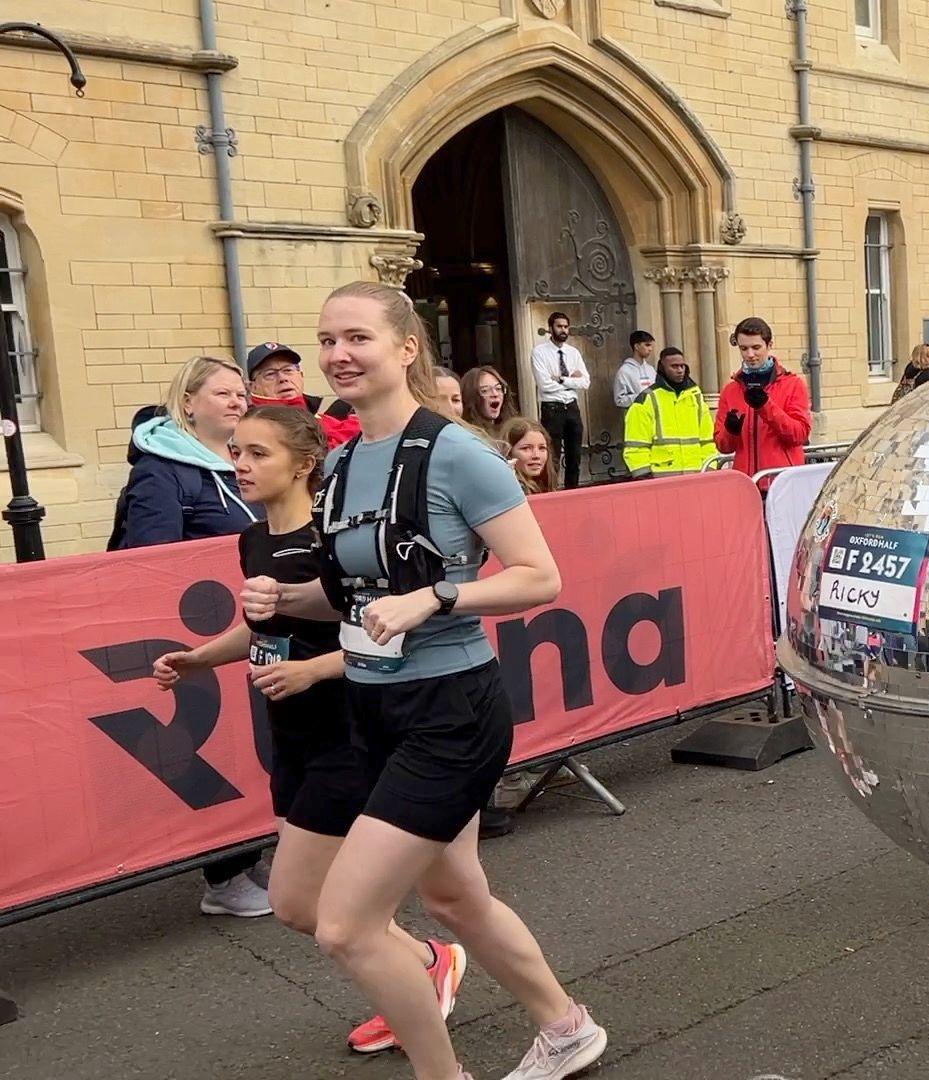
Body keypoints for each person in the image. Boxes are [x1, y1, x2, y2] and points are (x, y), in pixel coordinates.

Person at [242, 280, 606, 1080]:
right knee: (452, 899)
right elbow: (351, 596)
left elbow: (539, 577)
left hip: (451, 708)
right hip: (373, 708)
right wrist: (282, 598)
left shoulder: (458, 452)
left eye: (358, 338)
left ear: (406, 348)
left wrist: (438, 594)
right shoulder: (339, 462)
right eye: (328, 339)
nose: (339, 354)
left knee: (344, 923)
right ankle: (566, 1026)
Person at [151, 405, 466, 1055]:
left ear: (303, 464)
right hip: (288, 736)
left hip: (348, 732)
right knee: (307, 906)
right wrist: (200, 657)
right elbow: (265, 627)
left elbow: (390, 631)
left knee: (303, 903)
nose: (240, 463)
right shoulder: (252, 539)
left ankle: (425, 987)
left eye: (258, 454)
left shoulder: (334, 539)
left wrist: (313, 672)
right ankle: (427, 966)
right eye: (236, 451)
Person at [109, 354, 270, 916]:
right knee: (218, 747)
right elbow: (148, 563)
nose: (237, 401)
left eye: (240, 393)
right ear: (188, 404)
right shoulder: (160, 471)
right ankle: (225, 878)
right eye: (223, 393)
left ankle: (247, 856)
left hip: (246, 624)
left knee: (254, 743)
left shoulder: (239, 460)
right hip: (195, 635)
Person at [714, 316, 811, 482]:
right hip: (746, 484)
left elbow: (799, 435)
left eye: (756, 347)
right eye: (744, 348)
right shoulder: (730, 390)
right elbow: (723, 446)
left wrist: (766, 407)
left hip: (782, 482)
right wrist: (731, 431)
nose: (750, 354)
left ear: (769, 345)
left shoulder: (793, 384)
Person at [248, 341, 361, 448]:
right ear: (253, 387)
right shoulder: (254, 425)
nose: (283, 378)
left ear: (301, 375)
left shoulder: (320, 418)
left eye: (288, 370)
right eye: (270, 374)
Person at [623, 348, 716, 478]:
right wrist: (643, 475)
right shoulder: (647, 399)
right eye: (674, 366)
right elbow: (635, 444)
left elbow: (708, 439)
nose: (680, 370)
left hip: (696, 476)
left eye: (682, 366)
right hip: (661, 480)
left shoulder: (696, 397)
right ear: (662, 368)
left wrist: (710, 467)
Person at [532, 312, 589, 489]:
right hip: (552, 409)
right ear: (550, 328)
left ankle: (573, 491)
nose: (563, 330)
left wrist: (562, 379)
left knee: (574, 456)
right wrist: (572, 382)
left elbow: (585, 382)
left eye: (566, 327)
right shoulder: (539, 352)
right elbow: (544, 385)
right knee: (552, 456)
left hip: (572, 407)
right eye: (559, 326)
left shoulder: (573, 353)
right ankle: (552, 492)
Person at [460, 364, 518, 446]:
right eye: (485, 391)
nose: (495, 394)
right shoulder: (468, 437)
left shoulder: (511, 430)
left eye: (498, 388)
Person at [503, 416, 557, 496]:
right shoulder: (509, 491)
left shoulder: (545, 483)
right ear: (508, 452)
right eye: (526, 448)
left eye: (542, 448)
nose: (536, 455)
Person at [613, 330, 657, 410]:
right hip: (636, 414)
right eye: (647, 345)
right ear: (636, 346)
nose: (650, 349)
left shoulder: (651, 370)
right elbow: (619, 400)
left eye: (651, 346)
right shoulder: (624, 371)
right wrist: (639, 397)